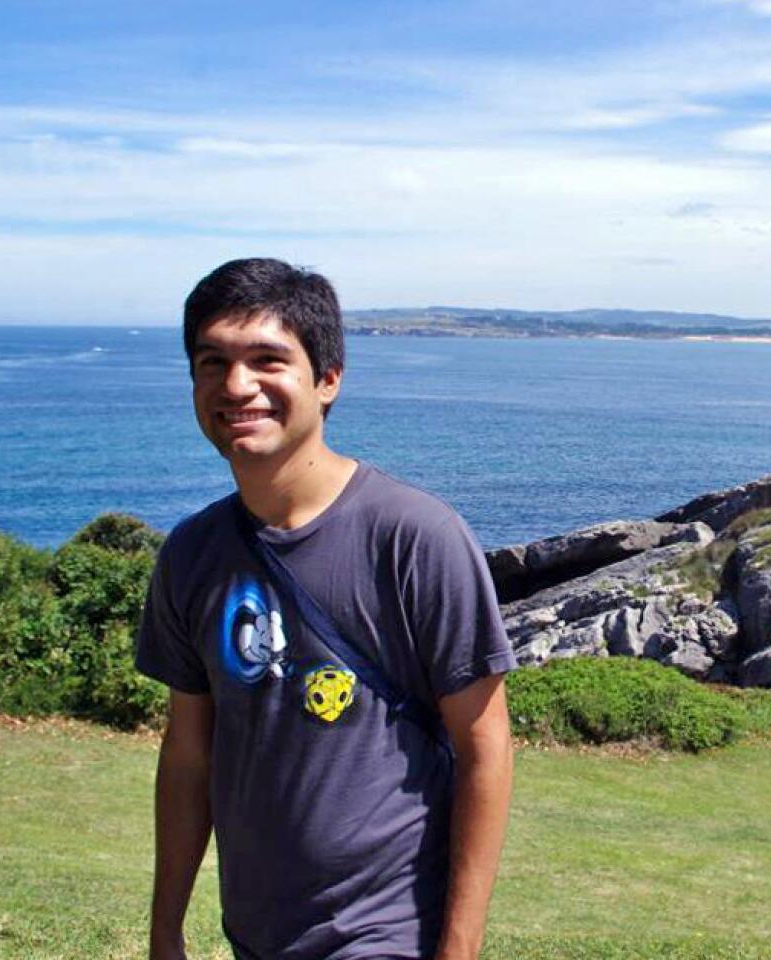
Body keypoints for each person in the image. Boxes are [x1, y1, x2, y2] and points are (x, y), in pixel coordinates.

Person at [135, 257, 516, 960]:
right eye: (212, 361)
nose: (236, 385)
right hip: (256, 934)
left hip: (386, 934)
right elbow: (189, 754)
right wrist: (165, 929)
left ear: (328, 378)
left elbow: (484, 747)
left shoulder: (414, 537)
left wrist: (458, 949)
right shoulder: (192, 554)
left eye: (267, 360)